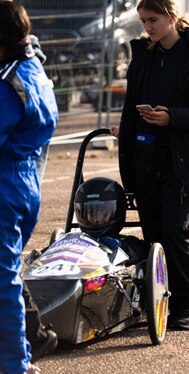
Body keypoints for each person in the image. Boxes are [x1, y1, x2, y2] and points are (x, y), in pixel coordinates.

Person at [110, 0, 189, 331]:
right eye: (143, 21)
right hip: (146, 159)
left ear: (172, 16)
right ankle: (157, 300)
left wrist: (171, 117)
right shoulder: (144, 55)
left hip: (182, 161)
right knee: (154, 233)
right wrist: (129, 128)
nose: (147, 27)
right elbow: (132, 103)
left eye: (153, 19)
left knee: (176, 231)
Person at [0, 1, 58, 373]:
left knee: (3, 281)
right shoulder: (33, 68)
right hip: (25, 180)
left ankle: (15, 363)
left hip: (6, 180)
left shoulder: (9, 81)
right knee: (9, 275)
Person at [73, 177, 149, 264]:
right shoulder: (78, 240)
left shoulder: (128, 242)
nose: (96, 218)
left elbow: (140, 252)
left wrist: (122, 247)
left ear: (117, 212)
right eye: (91, 212)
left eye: (102, 212)